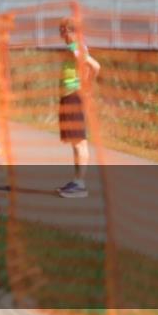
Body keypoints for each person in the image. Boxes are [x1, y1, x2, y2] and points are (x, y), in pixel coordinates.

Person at [57, 17, 100, 199]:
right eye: (61, 31)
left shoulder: (76, 47)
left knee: (79, 141)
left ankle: (80, 185)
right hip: (70, 96)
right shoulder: (76, 46)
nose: (62, 34)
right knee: (75, 141)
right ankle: (76, 181)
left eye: (64, 30)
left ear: (72, 31)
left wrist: (86, 86)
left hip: (74, 97)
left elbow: (95, 66)